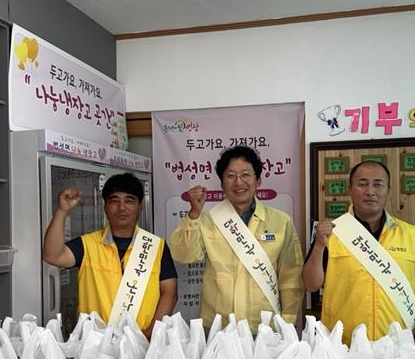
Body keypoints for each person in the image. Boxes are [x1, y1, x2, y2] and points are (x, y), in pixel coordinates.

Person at [302, 160, 415, 349]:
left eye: (378, 184)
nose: (370, 191)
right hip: (344, 347)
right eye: (362, 184)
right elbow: (310, 285)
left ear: (388, 189)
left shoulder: (409, 234)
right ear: (350, 189)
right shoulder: (333, 233)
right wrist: (319, 246)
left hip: (398, 346)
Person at [169, 145, 304, 334]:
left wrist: (287, 323)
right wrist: (193, 214)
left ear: (258, 181)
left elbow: (291, 277)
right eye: (231, 176)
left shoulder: (281, 221)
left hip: (265, 327)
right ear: (222, 184)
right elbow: (183, 255)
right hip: (218, 327)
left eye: (246, 175)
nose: (239, 182)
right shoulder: (207, 219)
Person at [43, 173, 177, 338]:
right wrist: (62, 212)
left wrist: (150, 335)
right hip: (96, 345)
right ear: (105, 207)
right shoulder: (87, 245)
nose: (121, 208)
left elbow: (170, 293)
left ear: (140, 207)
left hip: (145, 342)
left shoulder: (156, 247)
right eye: (114, 201)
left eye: (129, 201)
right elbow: (52, 256)